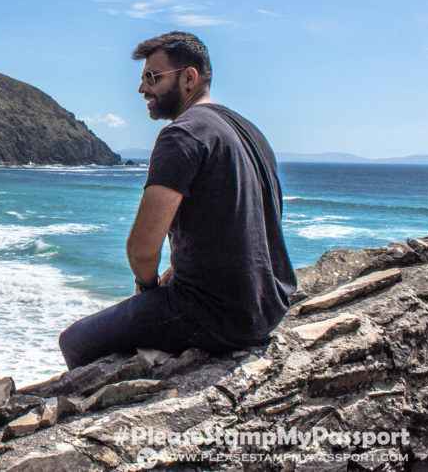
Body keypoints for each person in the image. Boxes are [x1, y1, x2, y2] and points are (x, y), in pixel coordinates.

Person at [59, 31, 296, 369]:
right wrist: (179, 269)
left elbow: (141, 248)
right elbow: (251, 221)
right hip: (269, 308)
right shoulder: (249, 131)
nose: (142, 88)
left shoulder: (181, 134)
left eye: (152, 77)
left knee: (75, 342)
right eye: (143, 78)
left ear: (189, 78)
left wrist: (147, 286)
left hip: (214, 317)